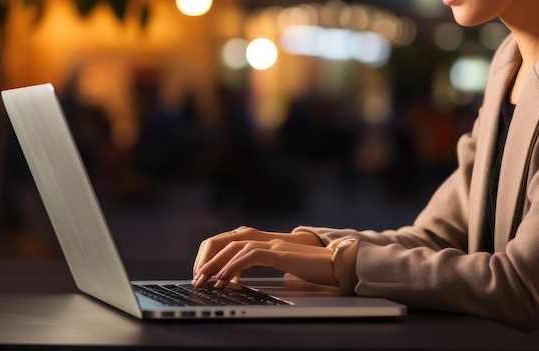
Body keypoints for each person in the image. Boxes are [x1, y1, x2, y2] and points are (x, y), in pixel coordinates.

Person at [192, 0, 539, 332]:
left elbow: (523, 286)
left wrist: (338, 263)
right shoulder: (507, 62)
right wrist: (300, 245)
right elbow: (435, 238)